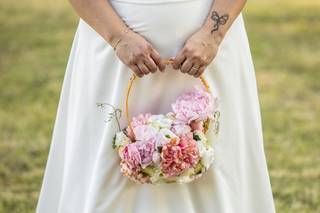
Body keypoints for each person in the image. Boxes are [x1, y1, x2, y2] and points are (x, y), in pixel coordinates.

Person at [36, 0, 276, 212]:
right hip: (112, 47)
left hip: (211, 45)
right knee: (104, 165)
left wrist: (213, 35)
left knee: (220, 159)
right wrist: (118, 37)